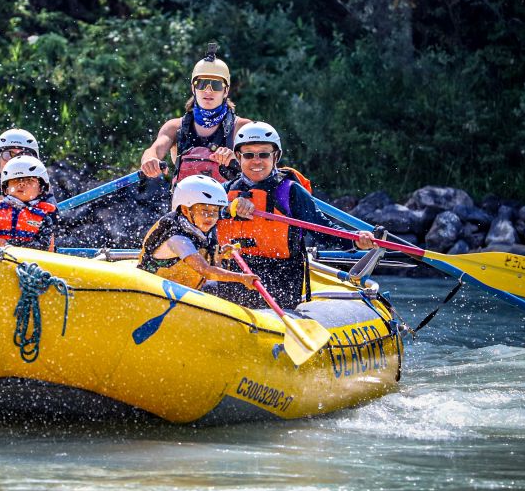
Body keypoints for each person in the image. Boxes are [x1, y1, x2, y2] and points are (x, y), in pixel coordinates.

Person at [214, 121, 375, 309]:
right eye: (249, 155)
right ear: (239, 157)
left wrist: (355, 240)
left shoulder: (291, 192)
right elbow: (199, 217)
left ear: (275, 156)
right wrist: (228, 209)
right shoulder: (222, 192)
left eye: (264, 154)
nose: (256, 161)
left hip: (281, 276)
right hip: (235, 272)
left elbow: (323, 229)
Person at [139, 43, 253, 183]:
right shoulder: (174, 127)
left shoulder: (242, 128)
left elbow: (260, 165)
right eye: (201, 84)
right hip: (185, 203)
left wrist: (236, 159)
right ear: (193, 89)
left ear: (226, 91)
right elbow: (154, 150)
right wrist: (150, 160)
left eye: (216, 85)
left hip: (229, 203)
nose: (208, 90)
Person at [138, 175, 259, 291]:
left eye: (215, 212)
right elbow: (205, 271)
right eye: (205, 211)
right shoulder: (177, 238)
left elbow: (213, 266)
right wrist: (241, 278)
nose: (210, 217)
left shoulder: (200, 227)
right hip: (153, 291)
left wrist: (221, 255)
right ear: (185, 210)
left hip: (184, 290)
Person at [0, 154, 58, 251]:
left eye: (30, 180)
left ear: (41, 189)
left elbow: (42, 246)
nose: (21, 183)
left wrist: (10, 245)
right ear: (6, 189)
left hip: (31, 264)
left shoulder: (44, 219)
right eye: (15, 180)